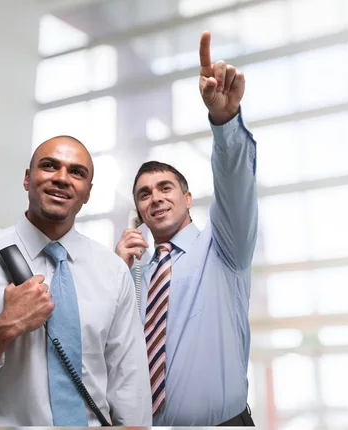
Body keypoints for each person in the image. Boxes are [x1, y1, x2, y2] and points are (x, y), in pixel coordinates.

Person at [0, 135, 152, 426]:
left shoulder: (113, 272)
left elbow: (129, 382)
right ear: (27, 179)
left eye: (77, 172)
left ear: (88, 192)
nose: (62, 179)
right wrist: (4, 327)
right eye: (50, 166)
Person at [114, 31, 258, 426]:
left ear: (188, 197)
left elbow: (235, 185)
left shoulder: (223, 247)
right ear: (138, 212)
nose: (155, 198)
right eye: (144, 195)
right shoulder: (134, 273)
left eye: (165, 188)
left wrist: (224, 121)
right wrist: (114, 276)